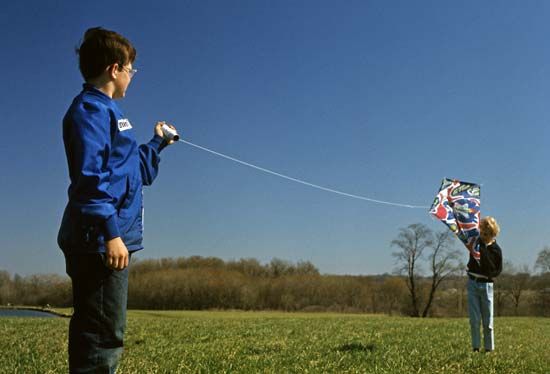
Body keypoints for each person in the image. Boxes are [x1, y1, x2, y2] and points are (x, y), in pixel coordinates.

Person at [57, 27, 177, 373]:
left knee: (106, 331)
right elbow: (89, 179)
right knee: (100, 337)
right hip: (97, 241)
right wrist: (111, 234)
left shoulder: (110, 113)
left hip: (108, 239)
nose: (131, 76)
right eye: (131, 69)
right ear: (114, 68)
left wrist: (157, 144)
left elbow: (130, 171)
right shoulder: (90, 111)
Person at [466, 216, 502, 353]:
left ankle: (489, 349)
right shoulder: (475, 244)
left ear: (493, 234)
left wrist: (484, 250)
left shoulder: (495, 250)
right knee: (474, 320)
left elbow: (495, 270)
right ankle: (475, 347)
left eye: (486, 234)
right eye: (481, 233)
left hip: (486, 286)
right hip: (473, 283)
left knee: (488, 321)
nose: (483, 236)